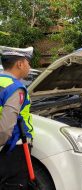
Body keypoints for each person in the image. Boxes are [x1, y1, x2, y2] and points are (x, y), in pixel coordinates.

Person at [0, 46, 34, 189]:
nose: (29, 67)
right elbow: (5, 128)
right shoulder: (15, 88)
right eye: (28, 62)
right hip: (13, 147)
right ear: (19, 64)